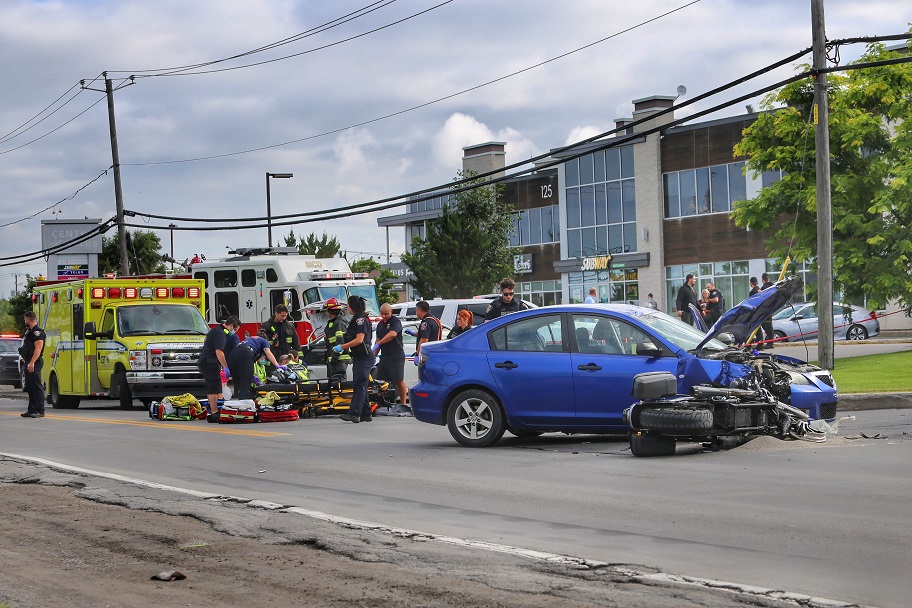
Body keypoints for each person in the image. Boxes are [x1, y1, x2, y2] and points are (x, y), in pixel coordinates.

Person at [337, 296, 374, 423]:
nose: (347, 308)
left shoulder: (360, 320)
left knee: (359, 384)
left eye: (348, 306)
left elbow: (359, 340)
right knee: (360, 384)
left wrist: (342, 347)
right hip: (359, 356)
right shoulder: (356, 319)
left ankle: (354, 413)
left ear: (353, 306)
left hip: (364, 356)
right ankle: (366, 413)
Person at [198, 316, 240, 422]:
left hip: (208, 363)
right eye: (235, 330)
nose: (234, 332)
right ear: (231, 326)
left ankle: (216, 410)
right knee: (213, 387)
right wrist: (225, 366)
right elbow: (219, 351)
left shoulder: (217, 331)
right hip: (210, 363)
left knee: (216, 387)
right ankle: (214, 413)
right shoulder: (220, 334)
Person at [373, 303, 407, 411]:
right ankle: (381, 402)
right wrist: (373, 354)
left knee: (398, 379)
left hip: (396, 355)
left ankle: (403, 404)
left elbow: (392, 334)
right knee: (380, 381)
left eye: (386, 314)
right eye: (381, 314)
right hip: (385, 355)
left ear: (391, 312)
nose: (383, 316)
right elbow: (378, 340)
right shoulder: (380, 324)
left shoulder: (395, 321)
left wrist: (380, 343)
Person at [228, 334, 281, 400]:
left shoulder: (248, 340)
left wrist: (251, 375)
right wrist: (277, 365)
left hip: (233, 354)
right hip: (246, 352)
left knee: (238, 379)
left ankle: (238, 399)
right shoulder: (263, 341)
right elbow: (268, 353)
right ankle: (245, 403)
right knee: (246, 382)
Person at [20, 311, 46, 418]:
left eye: (25, 319)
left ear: (28, 319)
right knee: (30, 387)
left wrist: (32, 362)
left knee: (36, 387)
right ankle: (31, 410)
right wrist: (25, 359)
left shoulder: (37, 333)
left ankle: (40, 410)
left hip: (34, 362)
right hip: (28, 361)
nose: (25, 321)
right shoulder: (29, 332)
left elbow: (38, 348)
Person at [258, 304, 301, 369]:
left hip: (286, 358)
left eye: (285, 316)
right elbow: (260, 343)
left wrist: (298, 358)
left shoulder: (290, 326)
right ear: (276, 313)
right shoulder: (266, 326)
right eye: (282, 316)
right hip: (272, 359)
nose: (284, 318)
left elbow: (296, 344)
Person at [323, 298, 350, 381]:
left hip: (339, 360)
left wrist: (334, 357)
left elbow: (341, 341)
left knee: (338, 383)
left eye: (326, 310)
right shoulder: (334, 322)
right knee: (334, 384)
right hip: (336, 359)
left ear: (330, 311)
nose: (326, 312)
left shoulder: (338, 323)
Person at [759, 272, 776, 348]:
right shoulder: (773, 286)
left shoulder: (764, 288)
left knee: (767, 325)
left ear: (762, 279)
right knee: (768, 325)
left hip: (766, 308)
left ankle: (770, 343)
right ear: (768, 278)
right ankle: (770, 341)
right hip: (772, 308)